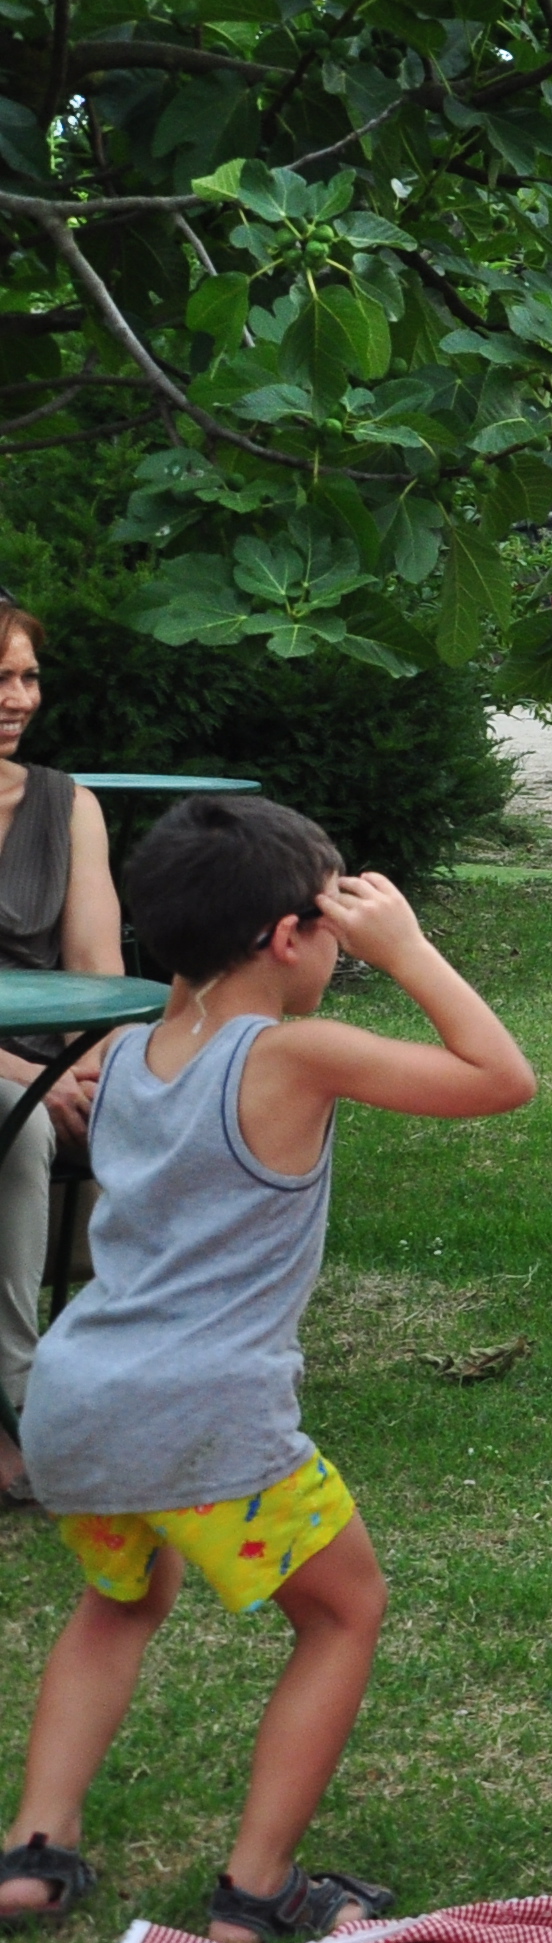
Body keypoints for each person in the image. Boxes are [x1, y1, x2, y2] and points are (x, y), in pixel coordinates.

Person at [0, 797, 535, 1943]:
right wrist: (413, 951)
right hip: (202, 1418)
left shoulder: (136, 1050)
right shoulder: (297, 1051)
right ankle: (260, 1886)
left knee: (117, 1601)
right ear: (287, 937)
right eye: (336, 924)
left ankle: (34, 1853)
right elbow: (501, 1077)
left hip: (77, 1398)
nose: (346, 945)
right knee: (345, 1610)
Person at [0, 599, 122, 1510]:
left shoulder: (67, 803)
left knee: (185, 1094)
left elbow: (99, 975)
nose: (17, 699)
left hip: (53, 1052)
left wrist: (93, 1068)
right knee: (18, 1131)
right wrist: (29, 1085)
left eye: (28, 676)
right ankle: (17, 1411)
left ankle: (144, 1386)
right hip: (15, 1080)